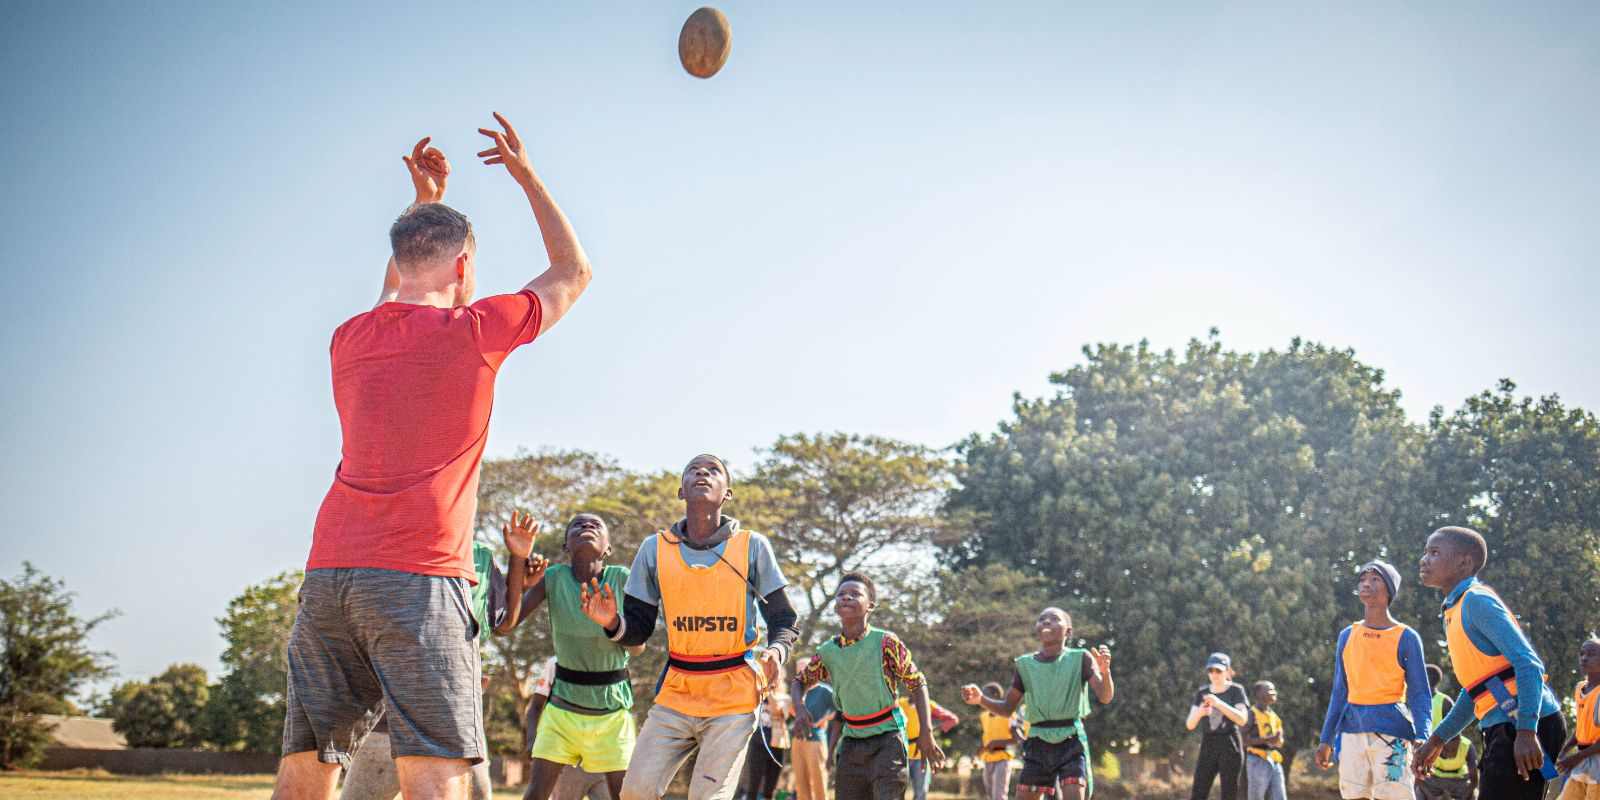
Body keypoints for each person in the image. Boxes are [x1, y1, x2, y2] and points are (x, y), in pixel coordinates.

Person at [275, 113, 593, 800]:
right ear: (465, 266)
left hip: (328, 575)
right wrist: (525, 173)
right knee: (435, 780)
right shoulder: (476, 331)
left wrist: (423, 203)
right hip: (417, 579)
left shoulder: (348, 339)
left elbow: (393, 293)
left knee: (305, 773)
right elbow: (573, 271)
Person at [585, 454, 800, 800]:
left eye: (713, 470)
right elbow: (638, 630)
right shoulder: (654, 549)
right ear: (681, 491)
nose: (702, 472)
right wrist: (611, 622)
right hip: (678, 692)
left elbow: (784, 619)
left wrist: (776, 651)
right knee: (635, 792)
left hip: (733, 694)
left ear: (727, 493)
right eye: (693, 470)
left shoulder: (752, 546)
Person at [339, 516, 528, 800]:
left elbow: (502, 623)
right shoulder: (393, 550)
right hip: (388, 726)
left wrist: (518, 561)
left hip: (456, 724)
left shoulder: (479, 557)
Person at [1412, 526, 1568, 800]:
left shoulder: (1476, 601)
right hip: (1505, 726)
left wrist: (1526, 731)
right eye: (1425, 552)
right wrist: (1437, 739)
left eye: (1435, 553)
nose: (1425, 559)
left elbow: (1529, 665)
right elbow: (1476, 692)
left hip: (1528, 723)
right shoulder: (1454, 609)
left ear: (1464, 562)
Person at [505, 513, 641, 800]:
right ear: (566, 546)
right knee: (536, 794)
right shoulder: (553, 577)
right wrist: (518, 564)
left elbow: (637, 647)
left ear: (608, 549)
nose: (587, 526)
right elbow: (508, 623)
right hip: (562, 712)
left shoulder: (620, 578)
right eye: (577, 525)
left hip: (611, 714)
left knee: (626, 795)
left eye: (596, 524)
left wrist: (612, 623)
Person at [794, 573, 948, 800]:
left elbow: (917, 683)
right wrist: (799, 708)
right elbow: (799, 682)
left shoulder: (886, 643)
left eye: (855, 594)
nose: (846, 598)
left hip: (888, 740)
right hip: (851, 744)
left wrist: (926, 732)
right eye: (841, 595)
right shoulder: (829, 651)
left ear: (870, 606)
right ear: (835, 606)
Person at [960, 606, 1114, 800]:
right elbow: (1008, 708)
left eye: (1054, 618)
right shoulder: (1025, 665)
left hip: (1071, 738)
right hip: (1037, 740)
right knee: (1024, 796)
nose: (1046, 621)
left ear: (1068, 631)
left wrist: (1105, 672)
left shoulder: (1081, 658)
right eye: (1042, 619)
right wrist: (981, 699)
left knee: (1074, 794)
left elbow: (1105, 696)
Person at [1315, 560, 1433, 800]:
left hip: (1392, 731)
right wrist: (1326, 739)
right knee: (1354, 795)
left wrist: (1423, 734)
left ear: (1389, 589)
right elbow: (1339, 692)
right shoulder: (1347, 636)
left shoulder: (1406, 637)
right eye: (1362, 580)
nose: (1366, 584)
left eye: (1374, 579)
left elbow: (1419, 693)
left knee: (1393, 796)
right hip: (1351, 731)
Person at [523, 657, 610, 800]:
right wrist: (531, 741)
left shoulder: (611, 660)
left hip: (602, 757)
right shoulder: (556, 662)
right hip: (568, 759)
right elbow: (534, 708)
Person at [1185, 653, 1250, 800]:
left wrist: (1218, 704)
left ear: (1227, 671)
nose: (1214, 674)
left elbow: (1242, 719)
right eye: (1210, 670)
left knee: (1229, 793)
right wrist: (1200, 713)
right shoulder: (1202, 692)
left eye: (1218, 670)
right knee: (1198, 792)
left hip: (1230, 743)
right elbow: (1190, 724)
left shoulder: (1236, 690)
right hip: (1208, 744)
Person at [1554, 637, 1600, 800]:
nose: (1584, 658)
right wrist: (1563, 751)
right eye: (1581, 654)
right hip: (1584, 759)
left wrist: (1576, 757)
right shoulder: (1580, 688)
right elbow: (1581, 730)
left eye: (1591, 654)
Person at [738, 671, 793, 800]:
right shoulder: (758, 695)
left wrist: (770, 691)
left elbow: (776, 710)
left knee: (770, 787)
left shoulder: (784, 697)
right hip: (757, 743)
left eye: (775, 677)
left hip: (775, 746)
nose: (770, 679)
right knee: (753, 785)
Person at [896, 693, 960, 800]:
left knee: (920, 791)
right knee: (898, 791)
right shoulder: (900, 704)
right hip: (902, 755)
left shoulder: (928, 705)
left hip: (922, 755)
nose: (912, 688)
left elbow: (953, 719)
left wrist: (932, 731)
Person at [789, 657, 835, 800]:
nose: (802, 673)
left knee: (818, 780)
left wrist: (823, 720)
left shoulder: (824, 691)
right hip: (797, 741)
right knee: (801, 782)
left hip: (816, 740)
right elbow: (792, 710)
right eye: (799, 670)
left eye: (804, 669)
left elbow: (839, 710)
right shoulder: (797, 691)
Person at [975, 682, 1026, 800]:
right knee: (990, 794)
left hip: (1003, 758)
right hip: (987, 758)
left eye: (985, 695)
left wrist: (996, 743)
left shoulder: (1009, 715)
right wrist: (976, 755)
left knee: (999, 795)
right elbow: (986, 738)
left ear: (996, 695)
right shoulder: (984, 716)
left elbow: (1016, 739)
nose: (982, 698)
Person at [1242, 681, 1286, 800]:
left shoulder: (1274, 716)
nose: (1274, 692)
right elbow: (1243, 741)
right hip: (1257, 759)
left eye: (1274, 689)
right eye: (1270, 690)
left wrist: (1278, 739)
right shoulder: (1251, 714)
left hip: (1274, 760)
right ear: (1259, 694)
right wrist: (1267, 739)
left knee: (1280, 797)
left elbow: (1280, 743)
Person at [1414, 736, 1477, 800]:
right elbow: (1418, 779)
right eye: (1446, 749)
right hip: (1434, 777)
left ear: (1459, 744)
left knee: (1472, 796)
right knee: (1419, 792)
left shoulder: (1467, 746)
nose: (1449, 753)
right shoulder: (1431, 745)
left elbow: (1474, 781)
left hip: (1459, 779)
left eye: (1454, 750)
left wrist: (1465, 798)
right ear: (1441, 745)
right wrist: (1430, 797)